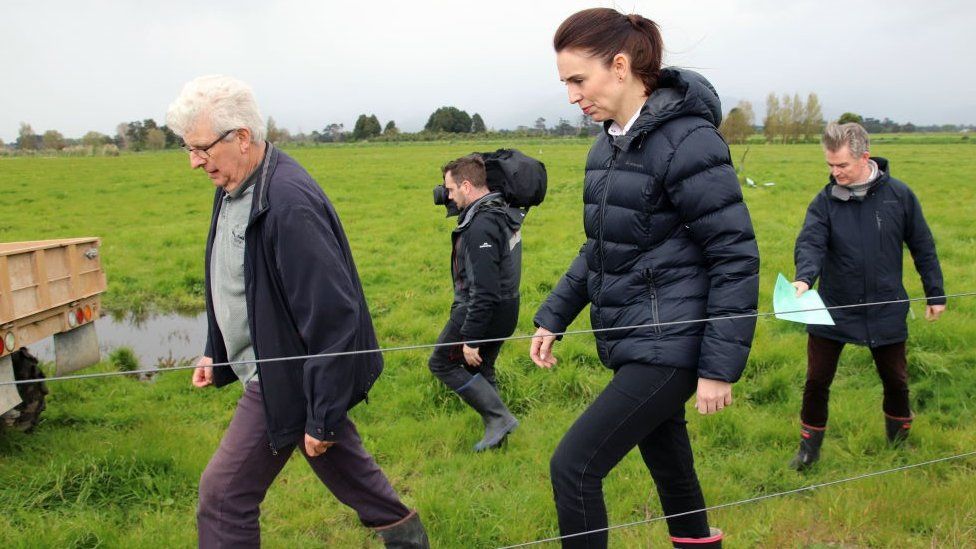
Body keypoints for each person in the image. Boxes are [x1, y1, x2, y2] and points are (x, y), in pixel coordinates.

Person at [529, 8, 760, 549]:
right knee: (670, 463)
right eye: (565, 83)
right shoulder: (608, 144)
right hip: (638, 335)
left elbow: (734, 255)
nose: (570, 95)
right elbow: (603, 246)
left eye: (577, 80)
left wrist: (719, 368)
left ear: (619, 65)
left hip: (673, 341)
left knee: (574, 466)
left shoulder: (688, 141)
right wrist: (554, 316)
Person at [166, 75, 428, 548]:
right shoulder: (234, 184)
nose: (194, 161)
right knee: (336, 459)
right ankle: (406, 537)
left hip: (282, 371)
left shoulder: (286, 203)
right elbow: (231, 279)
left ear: (241, 137)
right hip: (281, 361)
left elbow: (333, 315)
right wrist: (216, 350)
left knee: (223, 495)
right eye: (188, 148)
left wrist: (323, 412)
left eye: (201, 148)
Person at [789, 122, 946, 470]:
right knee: (816, 381)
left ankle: (898, 447)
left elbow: (923, 246)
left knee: (896, 380)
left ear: (865, 157)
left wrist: (935, 293)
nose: (835, 172)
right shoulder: (824, 202)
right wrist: (803, 280)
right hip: (833, 308)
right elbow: (811, 242)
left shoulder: (900, 196)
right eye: (829, 165)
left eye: (841, 165)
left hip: (885, 307)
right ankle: (807, 452)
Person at [428, 154, 522, 451]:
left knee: (442, 362)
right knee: (482, 368)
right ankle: (498, 436)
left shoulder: (480, 226)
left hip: (482, 310)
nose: (449, 197)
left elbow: (484, 288)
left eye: (452, 190)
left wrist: (471, 338)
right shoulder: (500, 210)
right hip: (508, 308)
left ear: (466, 186)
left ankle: (500, 418)